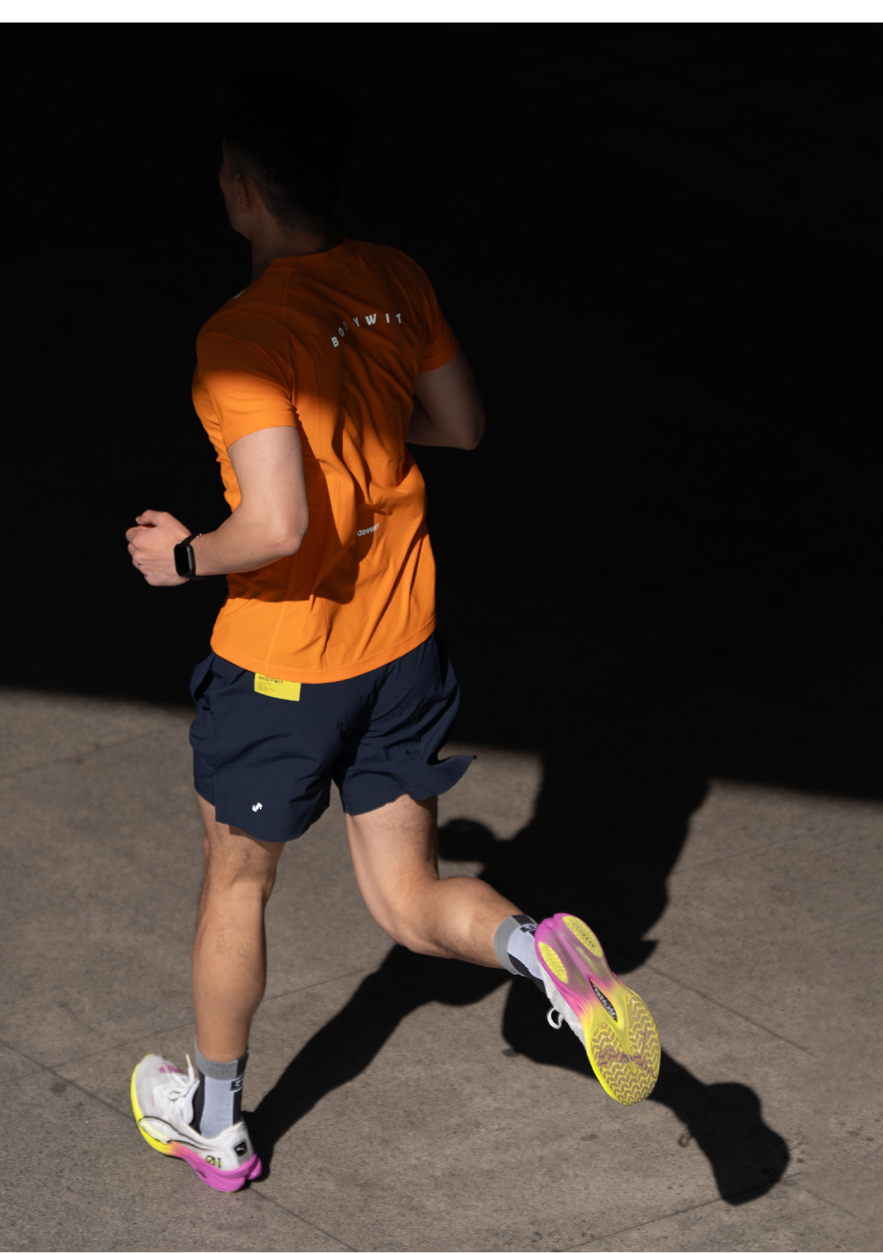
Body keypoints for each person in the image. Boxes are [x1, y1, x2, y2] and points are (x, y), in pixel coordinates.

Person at [124, 71, 659, 1194]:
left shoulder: (241, 335)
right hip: (402, 648)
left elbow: (275, 526)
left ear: (242, 188)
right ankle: (538, 949)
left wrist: (182, 555)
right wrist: (361, 427)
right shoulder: (394, 276)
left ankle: (215, 1122)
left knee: (237, 885)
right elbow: (461, 424)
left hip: (283, 669)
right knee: (410, 900)